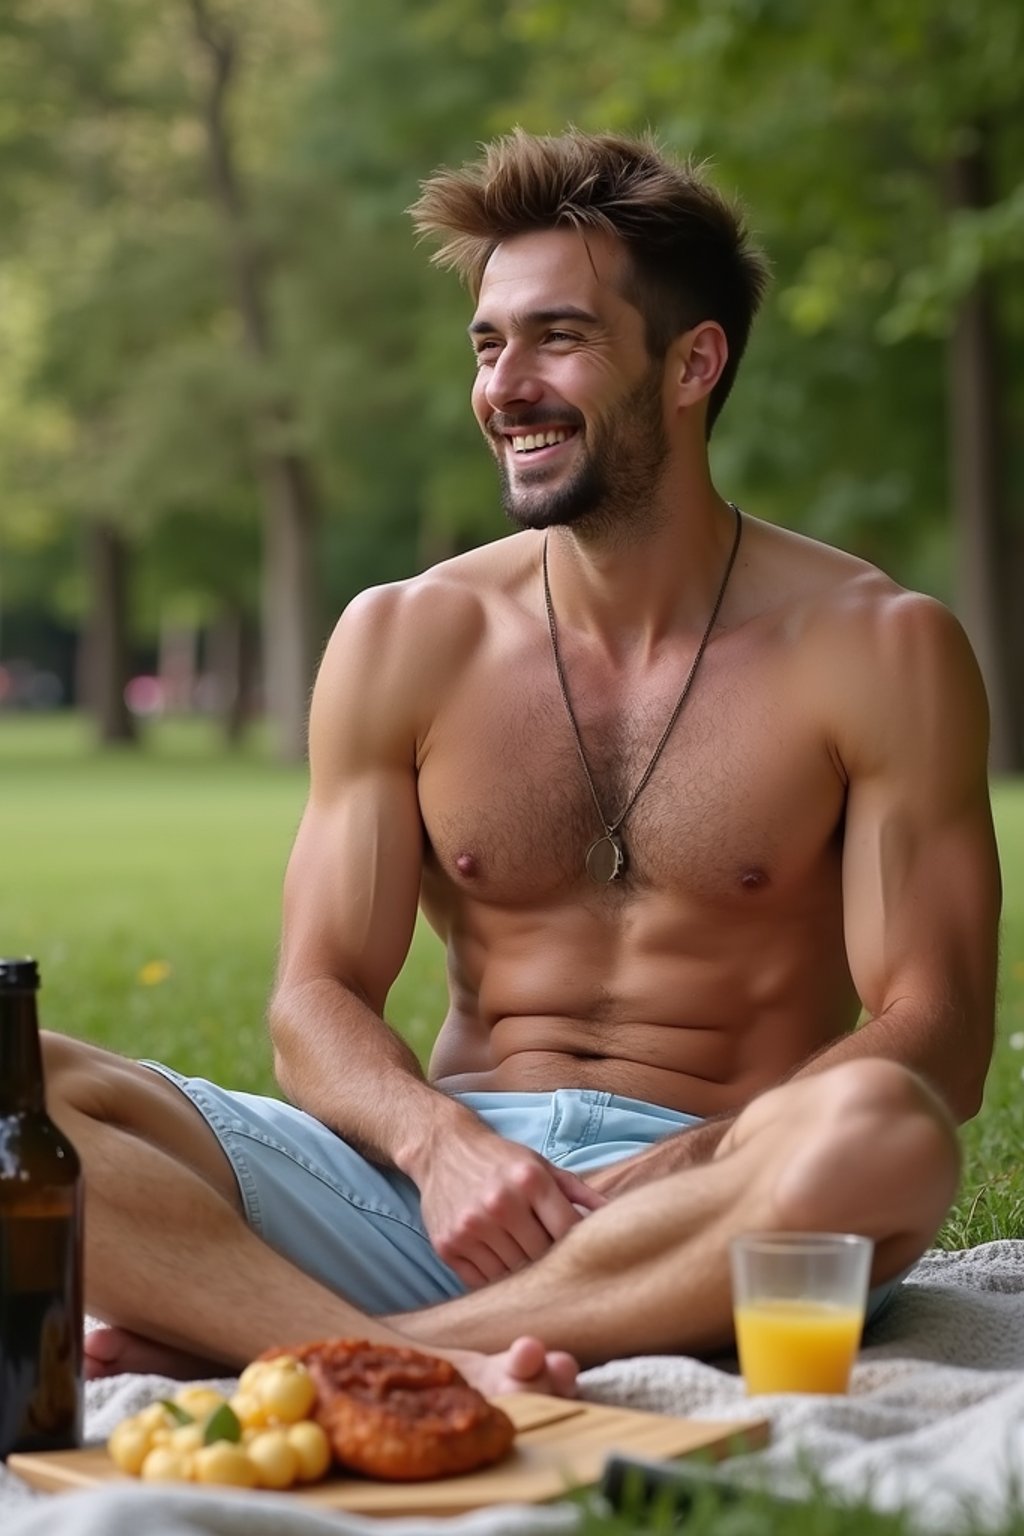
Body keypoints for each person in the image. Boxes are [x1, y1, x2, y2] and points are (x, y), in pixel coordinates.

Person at [44, 128, 999, 1398]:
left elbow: (935, 1031)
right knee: (23, 1090)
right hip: (418, 1198)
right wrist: (440, 1148)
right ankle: (402, 1350)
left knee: (883, 1138)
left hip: (711, 1201)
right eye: (489, 345)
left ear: (692, 363)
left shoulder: (879, 649)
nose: (506, 385)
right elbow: (313, 998)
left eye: (559, 337)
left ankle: (316, 1347)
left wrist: (688, 1167)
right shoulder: (404, 637)